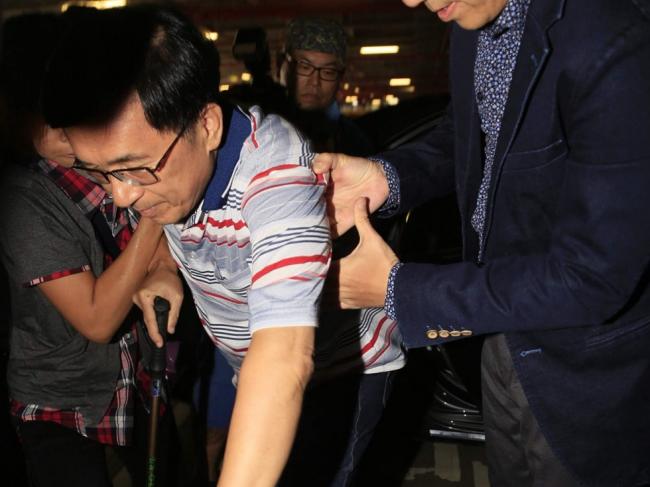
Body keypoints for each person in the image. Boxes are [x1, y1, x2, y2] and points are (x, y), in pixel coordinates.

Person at [41, 6, 404, 487]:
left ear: (208, 126)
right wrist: (165, 265)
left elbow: (284, 355)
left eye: (133, 169)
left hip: (341, 371)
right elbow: (169, 219)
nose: (122, 196)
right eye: (101, 172)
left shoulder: (279, 177)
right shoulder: (171, 164)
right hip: (245, 360)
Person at [312, 0, 650, 486]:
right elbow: (467, 135)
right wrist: (385, 178)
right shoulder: (473, 18)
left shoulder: (617, 41)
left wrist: (400, 290)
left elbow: (593, 277)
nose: (412, 2)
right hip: (499, 335)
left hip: (586, 374)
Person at [0, 11, 183, 487]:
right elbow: (98, 319)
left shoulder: (95, 155)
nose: (76, 129)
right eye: (56, 120)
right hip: (59, 400)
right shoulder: (22, 199)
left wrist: (164, 268)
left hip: (134, 379)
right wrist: (153, 208)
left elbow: (162, 245)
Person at [280, 17, 374, 155]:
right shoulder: (260, 129)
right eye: (304, 67)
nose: (315, 82)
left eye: (328, 72)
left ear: (340, 78)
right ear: (286, 68)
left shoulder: (354, 142)